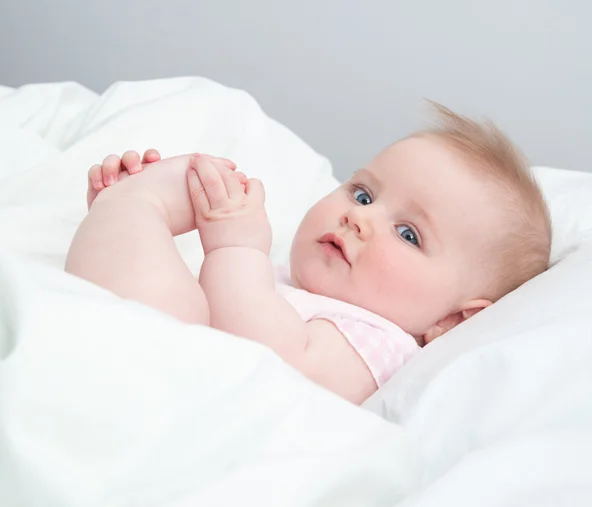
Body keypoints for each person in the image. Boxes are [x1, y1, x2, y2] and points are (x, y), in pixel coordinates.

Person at [65, 103, 552, 404]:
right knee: (153, 280)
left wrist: (235, 244)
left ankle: (132, 210)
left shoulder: (379, 344)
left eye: (408, 234)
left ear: (453, 322)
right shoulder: (286, 281)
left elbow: (276, 364)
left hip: (182, 389)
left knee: (161, 306)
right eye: (363, 194)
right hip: (155, 365)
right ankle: (127, 214)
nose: (359, 218)